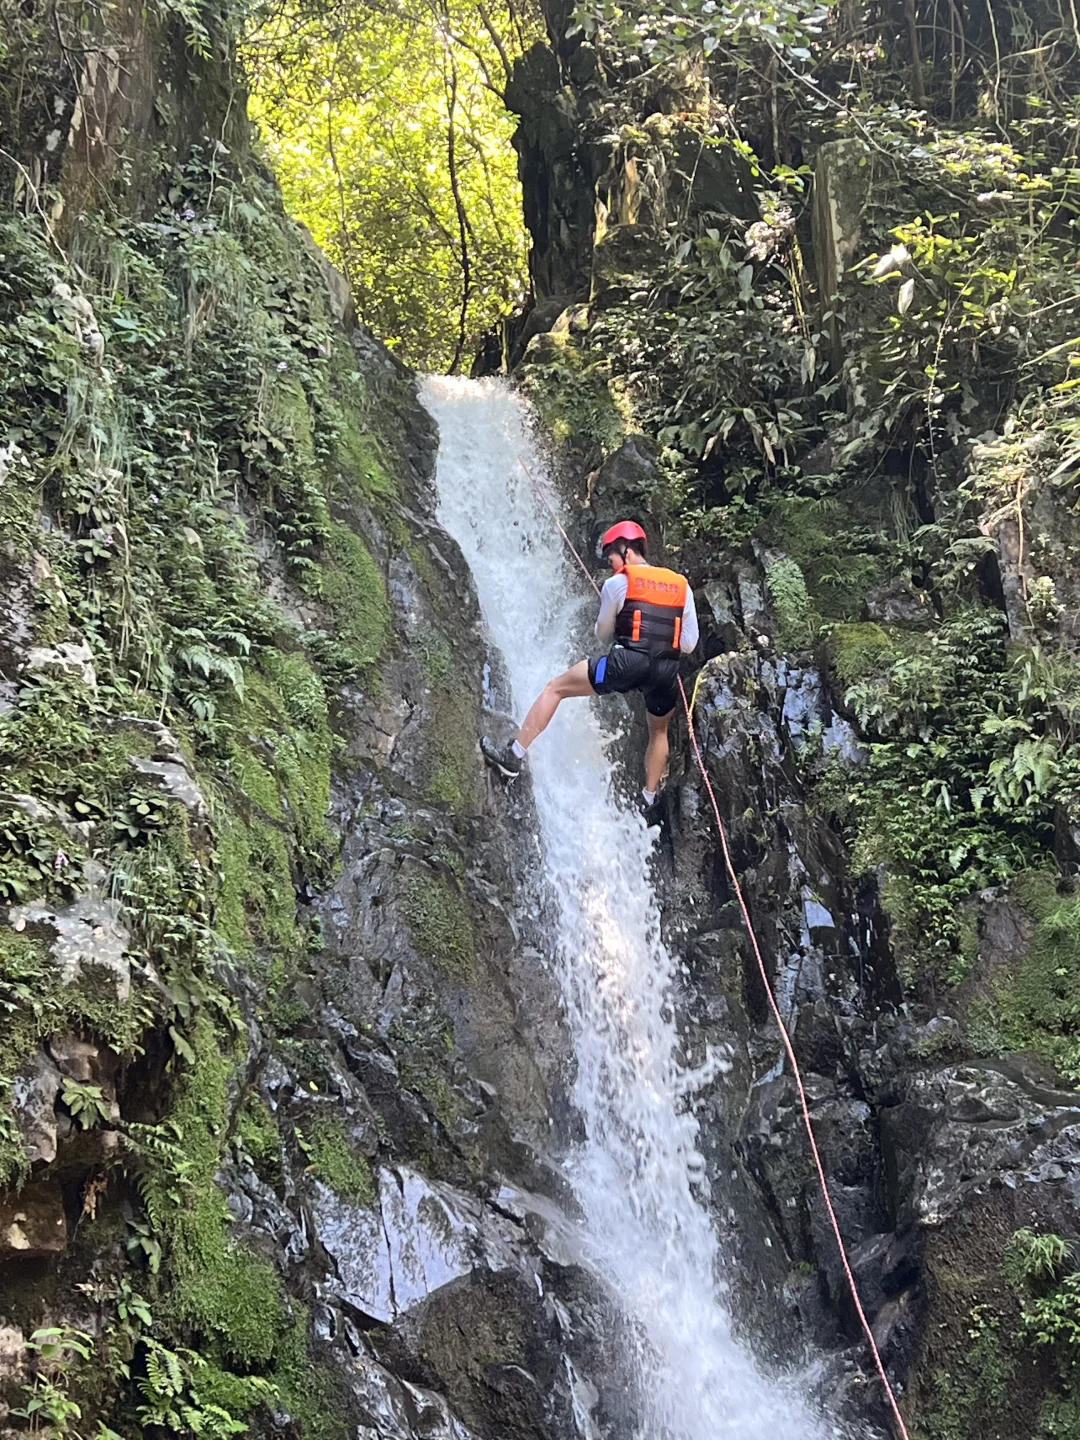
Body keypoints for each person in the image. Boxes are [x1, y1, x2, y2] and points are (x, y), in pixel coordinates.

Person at [481, 520, 698, 809]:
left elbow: (602, 634)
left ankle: (515, 755)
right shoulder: (681, 585)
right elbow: (688, 644)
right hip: (665, 672)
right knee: (658, 731)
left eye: (611, 557)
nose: (611, 565)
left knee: (556, 688)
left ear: (625, 550)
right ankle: (648, 800)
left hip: (628, 662)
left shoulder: (618, 583)